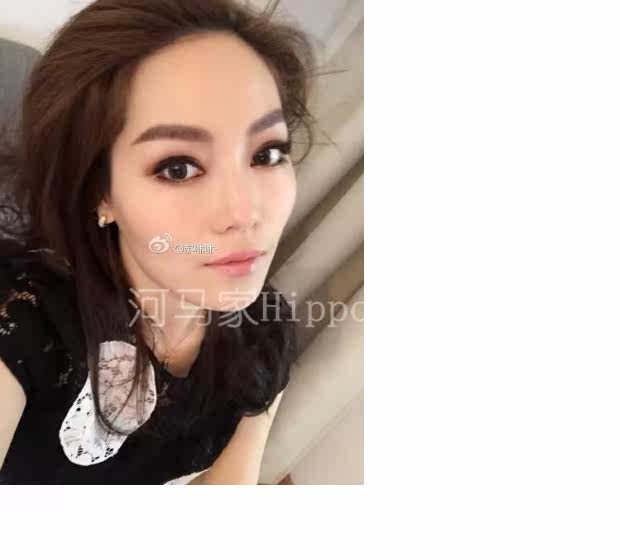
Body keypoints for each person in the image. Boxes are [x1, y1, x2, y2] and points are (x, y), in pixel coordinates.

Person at [0, 0, 317, 484]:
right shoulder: (26, 324)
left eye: (267, 154)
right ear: (100, 191)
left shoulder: (262, 331)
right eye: (178, 168)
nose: (245, 213)